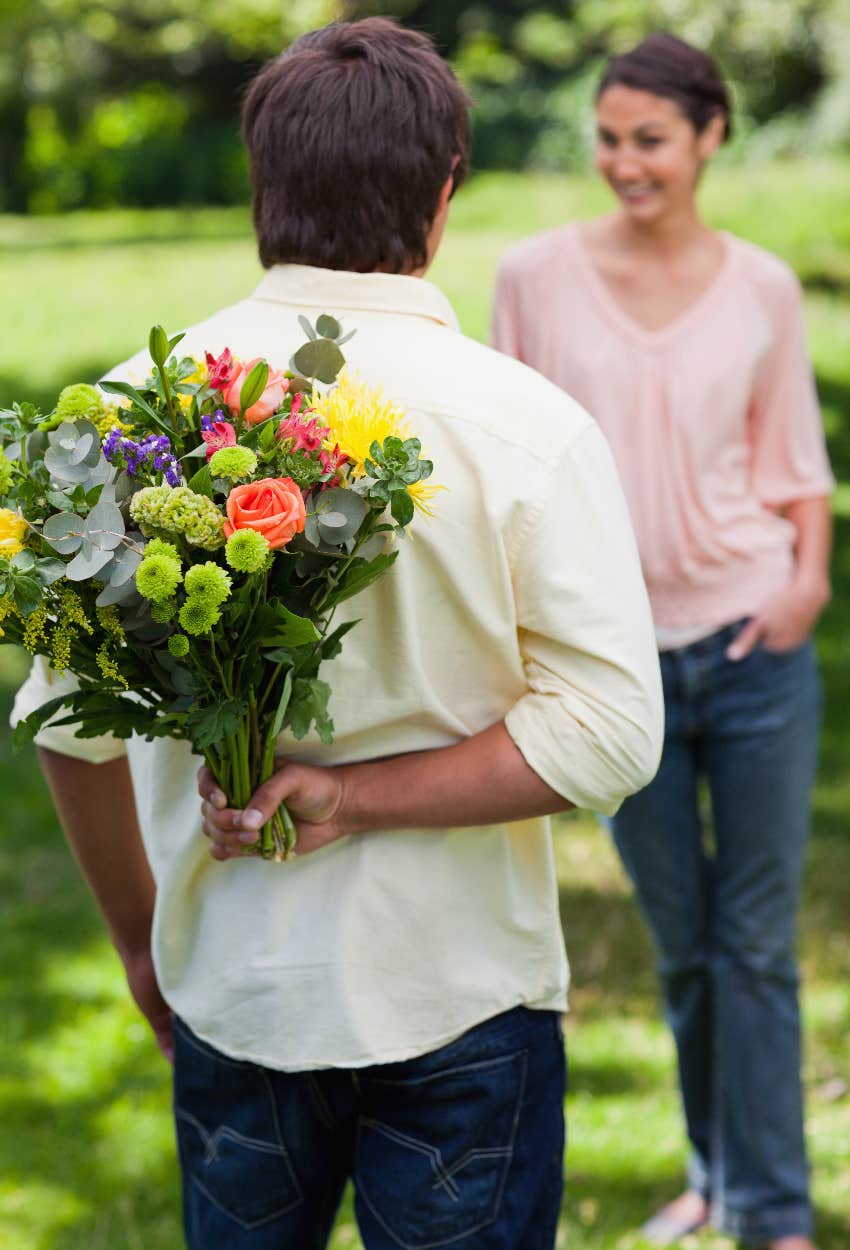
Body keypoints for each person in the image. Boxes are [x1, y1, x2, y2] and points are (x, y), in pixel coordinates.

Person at [12, 18, 664, 1250]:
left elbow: (65, 725)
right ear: (444, 189)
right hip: (460, 991)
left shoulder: (127, 418)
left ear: (263, 178)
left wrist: (142, 941)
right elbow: (613, 735)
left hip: (232, 981)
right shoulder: (524, 426)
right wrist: (354, 801)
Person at [492, 31, 833, 1250]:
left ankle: (773, 1211)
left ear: (709, 138)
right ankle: (712, 1174)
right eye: (609, 138)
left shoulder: (762, 289)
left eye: (650, 141)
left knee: (752, 948)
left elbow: (797, 468)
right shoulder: (531, 277)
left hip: (753, 650)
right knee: (684, 950)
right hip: (612, 665)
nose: (624, 164)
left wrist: (801, 590)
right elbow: (503, 471)